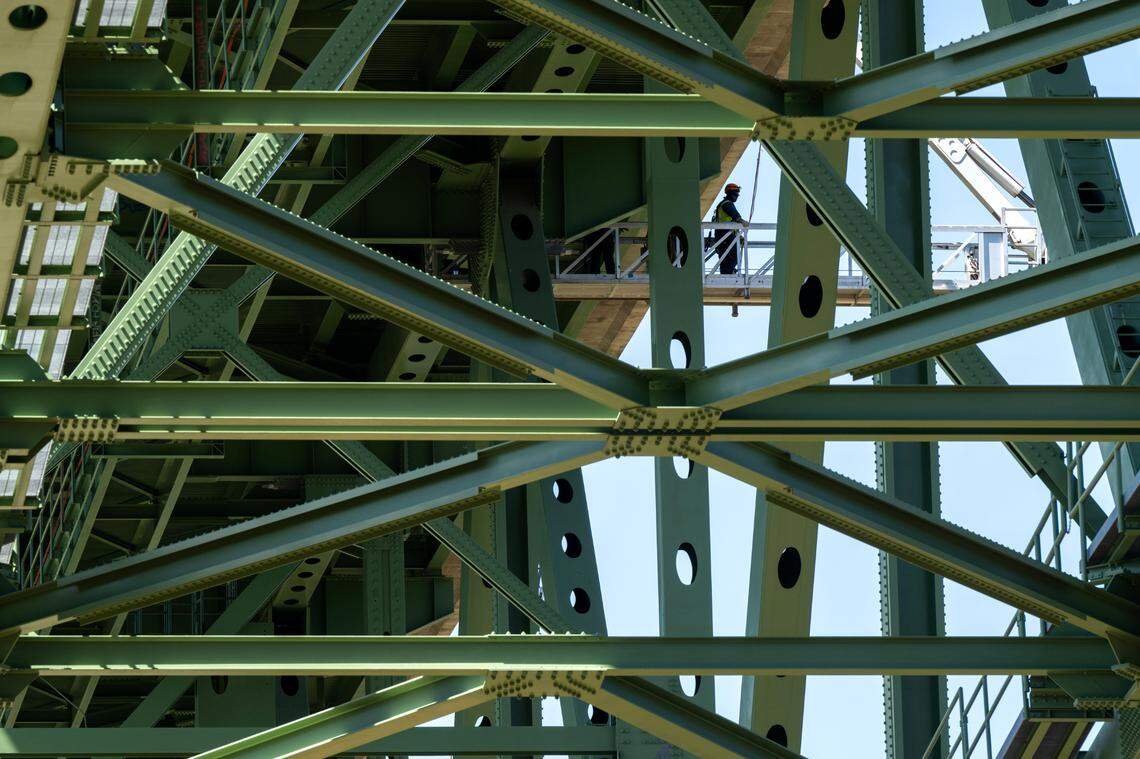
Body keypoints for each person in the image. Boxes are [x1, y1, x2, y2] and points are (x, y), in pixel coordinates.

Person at [713, 183, 745, 274]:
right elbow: (737, 218)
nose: (737, 196)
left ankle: (728, 272)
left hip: (725, 236)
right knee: (732, 257)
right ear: (730, 193)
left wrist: (739, 237)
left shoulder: (724, 204)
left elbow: (732, 223)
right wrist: (746, 224)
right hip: (725, 236)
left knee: (727, 258)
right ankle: (729, 273)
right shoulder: (727, 204)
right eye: (736, 194)